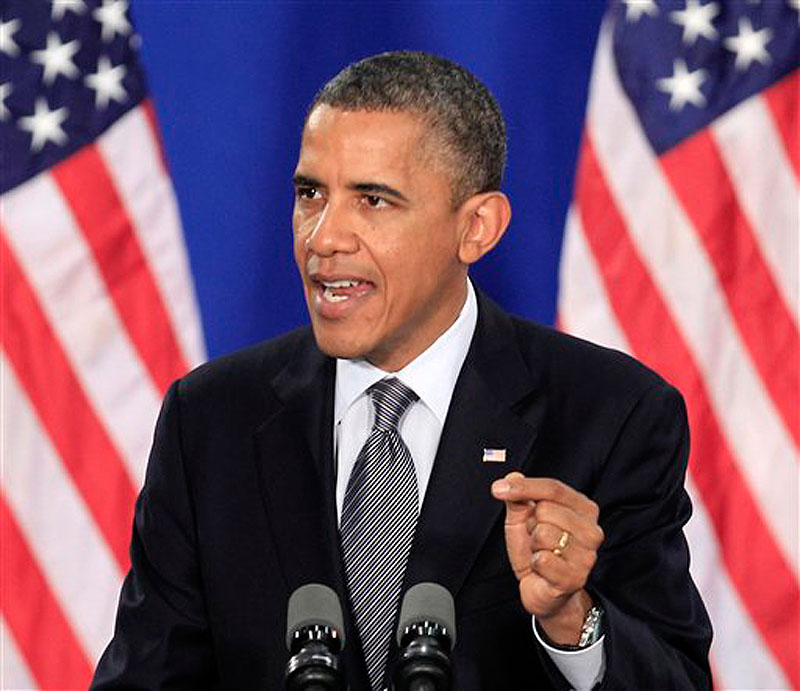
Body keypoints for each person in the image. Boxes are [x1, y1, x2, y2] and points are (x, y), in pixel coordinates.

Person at [92, 51, 712, 690]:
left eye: (373, 200)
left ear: (476, 228)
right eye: (311, 194)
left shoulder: (611, 415)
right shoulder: (212, 418)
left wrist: (570, 620)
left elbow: (678, 680)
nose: (324, 237)